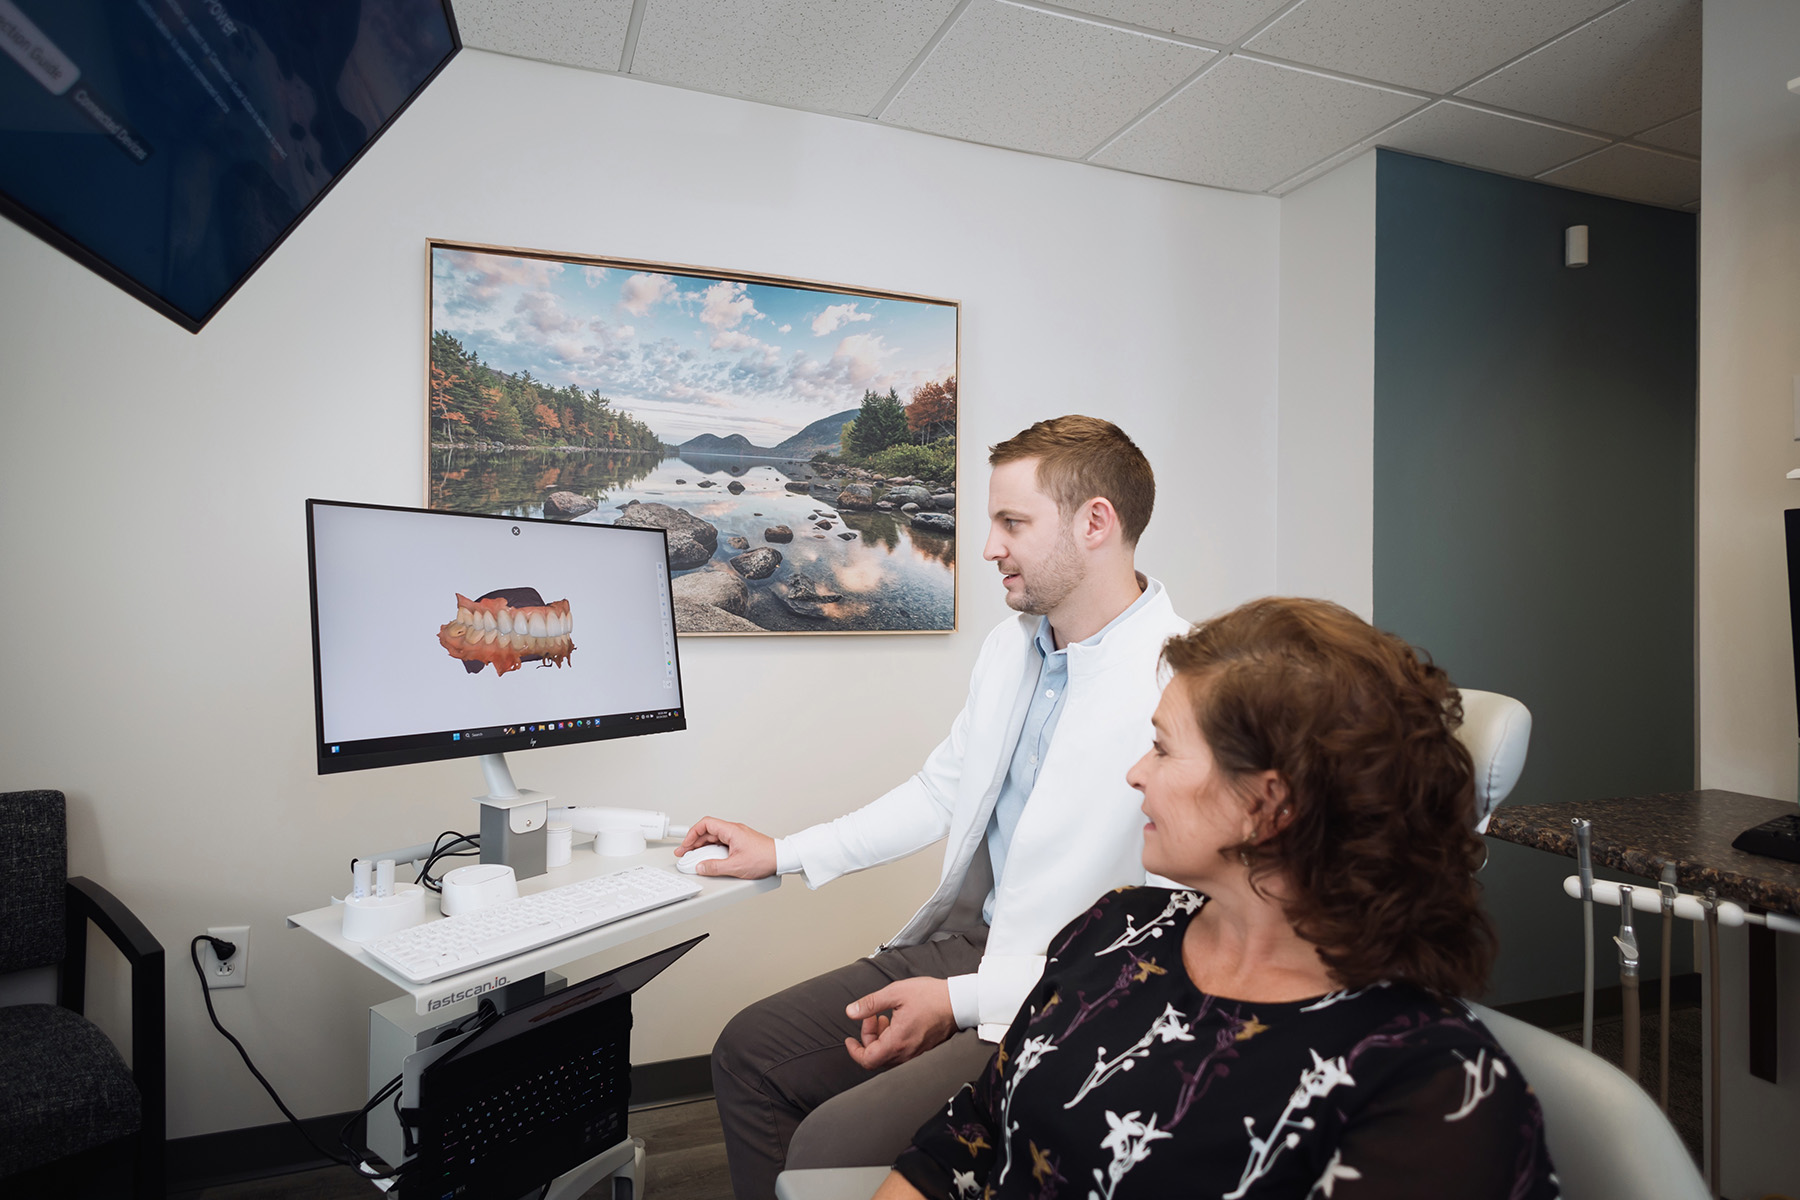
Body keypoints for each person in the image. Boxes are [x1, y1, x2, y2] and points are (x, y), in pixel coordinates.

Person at [881, 597, 1558, 1200]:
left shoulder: (1432, 1086)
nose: (1136, 773)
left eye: (1163, 750)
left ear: (1267, 804)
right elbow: (970, 1137)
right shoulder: (1117, 930)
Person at [676, 416, 1190, 1200]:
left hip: (1069, 989)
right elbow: (939, 790)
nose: (987, 547)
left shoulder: (1182, 685)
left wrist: (959, 1004)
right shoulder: (1011, 649)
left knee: (824, 1145)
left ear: (1096, 523)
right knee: (749, 1051)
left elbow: (1172, 933)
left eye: (1012, 523)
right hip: (971, 947)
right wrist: (782, 851)